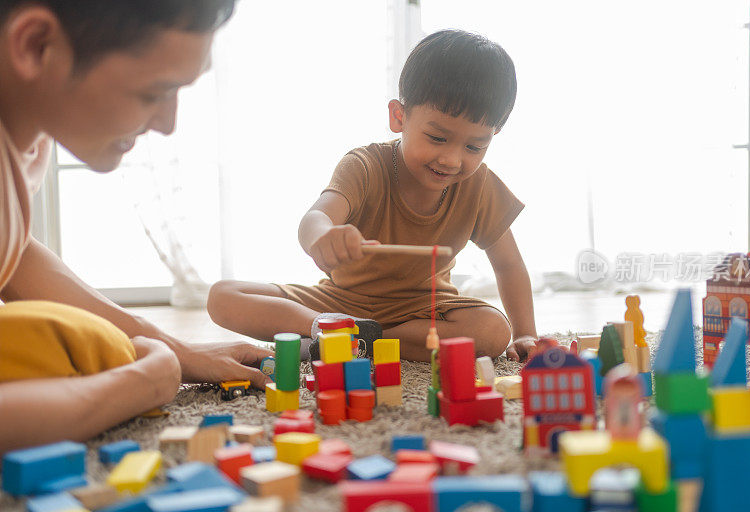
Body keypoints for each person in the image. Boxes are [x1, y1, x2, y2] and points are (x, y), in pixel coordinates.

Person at [0, 0, 271, 453]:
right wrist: (146, 380)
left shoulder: (28, 125)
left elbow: (14, 254)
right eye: (153, 93)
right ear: (36, 45)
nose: (168, 124)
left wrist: (173, 347)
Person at [208, 30, 538, 362]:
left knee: (493, 330)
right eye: (437, 137)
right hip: (339, 303)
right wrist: (323, 237)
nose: (452, 159)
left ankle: (352, 343)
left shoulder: (480, 186)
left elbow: (509, 265)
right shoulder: (364, 166)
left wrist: (526, 333)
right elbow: (315, 218)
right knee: (222, 297)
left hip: (423, 312)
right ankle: (325, 330)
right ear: (399, 117)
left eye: (474, 146)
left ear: (493, 135)